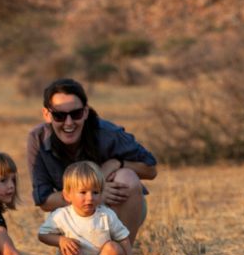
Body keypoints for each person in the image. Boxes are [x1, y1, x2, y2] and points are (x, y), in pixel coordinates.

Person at [27, 78, 157, 241]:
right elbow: (43, 201)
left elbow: (151, 169)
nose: (69, 123)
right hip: (72, 214)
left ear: (86, 112)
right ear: (47, 114)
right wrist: (94, 194)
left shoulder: (108, 133)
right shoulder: (37, 139)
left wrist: (118, 163)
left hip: (117, 209)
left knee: (127, 178)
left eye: (76, 114)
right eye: (59, 116)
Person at [37, 161, 145, 255]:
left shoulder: (106, 215)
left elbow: (123, 237)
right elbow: (43, 234)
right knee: (67, 251)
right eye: (83, 192)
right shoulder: (61, 215)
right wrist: (60, 240)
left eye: (95, 192)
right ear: (67, 195)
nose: (90, 198)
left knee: (113, 247)